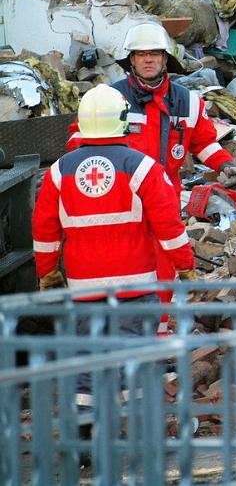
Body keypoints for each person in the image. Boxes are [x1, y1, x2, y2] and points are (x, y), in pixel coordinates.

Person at [32, 84, 197, 418]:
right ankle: (138, 436)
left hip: (83, 288)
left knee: (86, 362)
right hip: (135, 285)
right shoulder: (143, 166)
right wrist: (186, 266)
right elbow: (169, 226)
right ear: (123, 121)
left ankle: (83, 439)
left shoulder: (59, 172)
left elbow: (44, 230)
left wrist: (47, 272)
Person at [67, 22, 236, 307]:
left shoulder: (188, 103)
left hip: (163, 202)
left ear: (165, 59)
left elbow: (204, 143)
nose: (148, 59)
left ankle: (154, 335)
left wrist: (224, 164)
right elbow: (78, 140)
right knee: (119, 272)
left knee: (161, 273)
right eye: (140, 54)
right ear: (132, 60)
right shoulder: (110, 99)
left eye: (155, 54)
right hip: (120, 204)